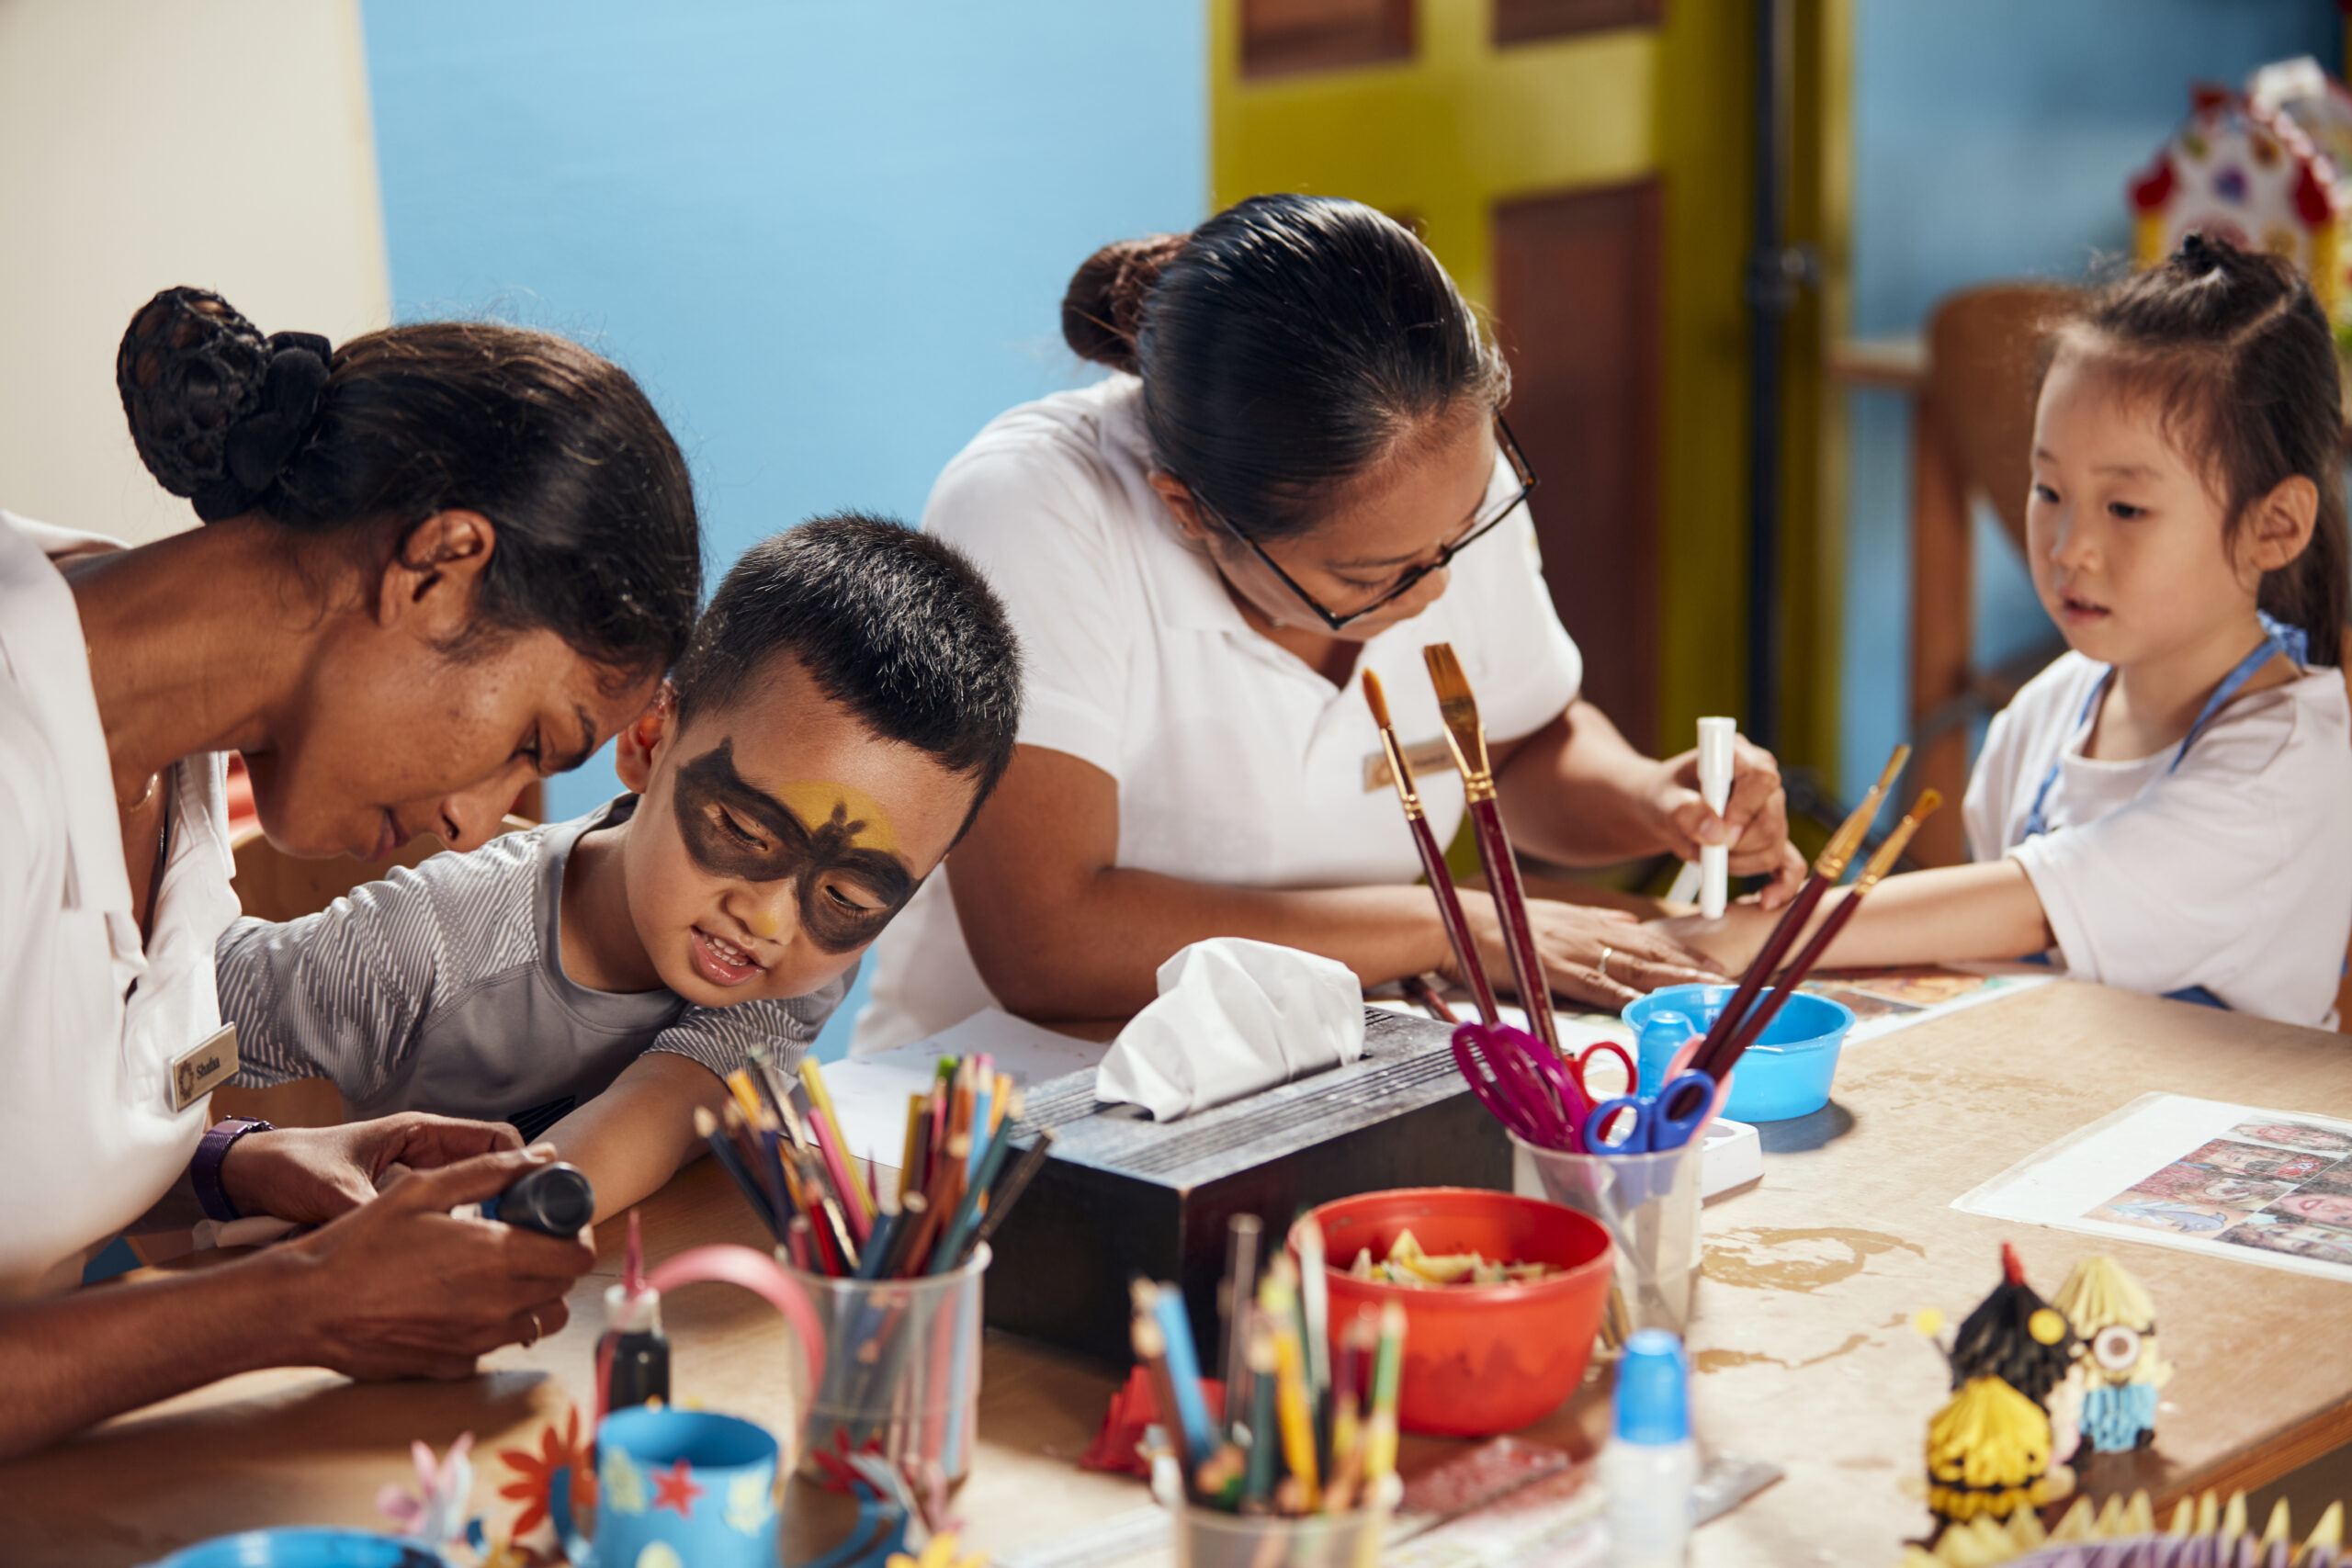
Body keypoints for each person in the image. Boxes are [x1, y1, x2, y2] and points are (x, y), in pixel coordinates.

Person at [0, 286, 702, 1457]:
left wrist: (241, 1168)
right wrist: (299, 1305)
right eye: (533, 741)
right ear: (439, 566)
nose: (480, 827)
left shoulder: (174, 766)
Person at [854, 195, 1802, 1052]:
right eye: (1369, 577)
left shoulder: (1437, 486)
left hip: (1331, 1052)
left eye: (1461, 536)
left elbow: (1511, 752)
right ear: (1187, 510)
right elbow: (1050, 945)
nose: (1431, 592)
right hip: (1026, 1100)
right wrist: (1453, 924)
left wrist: (1650, 800)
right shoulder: (1035, 506)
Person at [218, 516, 1022, 1215]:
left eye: (849, 893)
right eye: (743, 828)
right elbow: (165, 1017)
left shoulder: (804, 962)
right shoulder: (430, 944)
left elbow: (667, 1105)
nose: (771, 918)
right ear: (646, 740)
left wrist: (501, 1222)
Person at [1660, 236, 2352, 1029]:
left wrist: (1756, 933)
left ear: (2276, 526)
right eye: (2048, 488)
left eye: (2125, 508)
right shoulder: (2050, 707)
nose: (2068, 547)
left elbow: (2033, 906)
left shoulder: (2288, 764)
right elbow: (1979, 961)